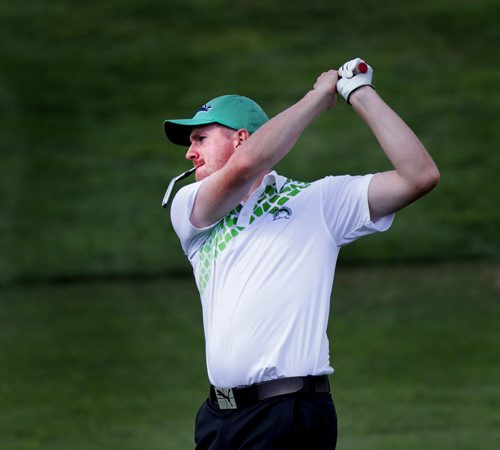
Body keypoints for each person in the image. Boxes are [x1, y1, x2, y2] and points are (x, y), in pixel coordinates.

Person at [163, 58, 439, 450]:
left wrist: (358, 92)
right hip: (216, 418)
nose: (189, 154)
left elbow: (419, 176)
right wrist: (316, 98)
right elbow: (244, 169)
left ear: (241, 138)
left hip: (289, 416)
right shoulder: (190, 206)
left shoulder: (318, 203)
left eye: (200, 139)